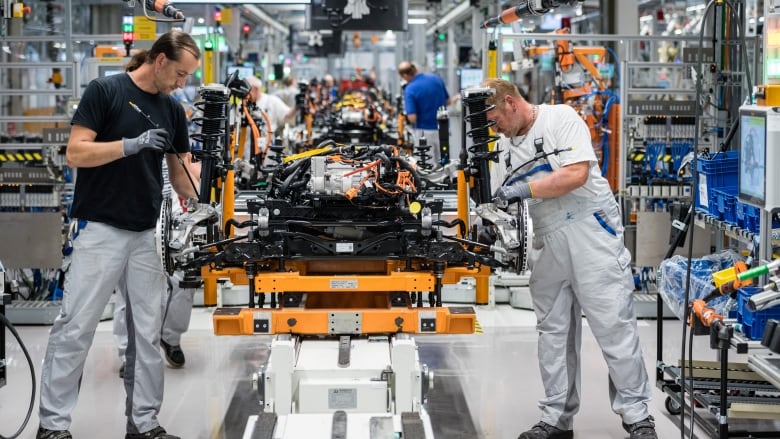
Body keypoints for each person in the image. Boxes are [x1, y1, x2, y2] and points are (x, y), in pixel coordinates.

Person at [36, 30, 200, 439]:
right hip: (100, 230)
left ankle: (143, 425)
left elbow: (180, 177)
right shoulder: (105, 91)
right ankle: (52, 426)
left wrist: (202, 199)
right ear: (159, 60)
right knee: (75, 327)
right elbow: (76, 152)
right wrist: (129, 145)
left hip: (146, 232)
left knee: (146, 334)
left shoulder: (173, 111)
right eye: (179, 74)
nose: (182, 84)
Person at [483, 78, 657, 439]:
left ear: (511, 103)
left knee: (614, 324)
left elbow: (576, 174)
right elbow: (501, 203)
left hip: (591, 232)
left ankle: (638, 416)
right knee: (553, 333)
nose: (493, 126)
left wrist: (525, 188)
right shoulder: (500, 148)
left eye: (494, 117)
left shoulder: (560, 118)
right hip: (548, 240)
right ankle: (557, 419)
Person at [397, 61, 451, 165]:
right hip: (443, 130)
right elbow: (448, 101)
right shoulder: (436, 79)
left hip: (424, 132)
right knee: (444, 164)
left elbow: (412, 117)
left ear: (405, 75)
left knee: (426, 167)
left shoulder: (410, 88)